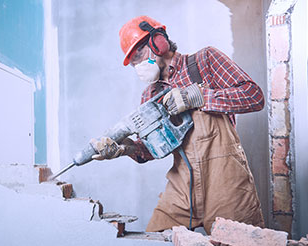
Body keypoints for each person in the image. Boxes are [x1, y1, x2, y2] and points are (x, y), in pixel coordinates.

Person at [91, 15, 265, 234]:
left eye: (139, 55)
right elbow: (154, 150)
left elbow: (254, 96)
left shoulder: (204, 61)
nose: (137, 65)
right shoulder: (150, 96)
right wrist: (126, 148)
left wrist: (200, 97)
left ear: (159, 42)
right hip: (182, 188)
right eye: (132, 62)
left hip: (226, 185)